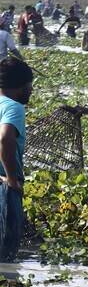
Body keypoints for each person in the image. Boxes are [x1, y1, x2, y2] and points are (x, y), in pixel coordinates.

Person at [0, 57, 33, 262]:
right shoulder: (14, 107)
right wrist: (12, 179)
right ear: (21, 85)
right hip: (4, 188)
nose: (31, 90)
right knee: (6, 253)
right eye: (30, 85)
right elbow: (5, 137)